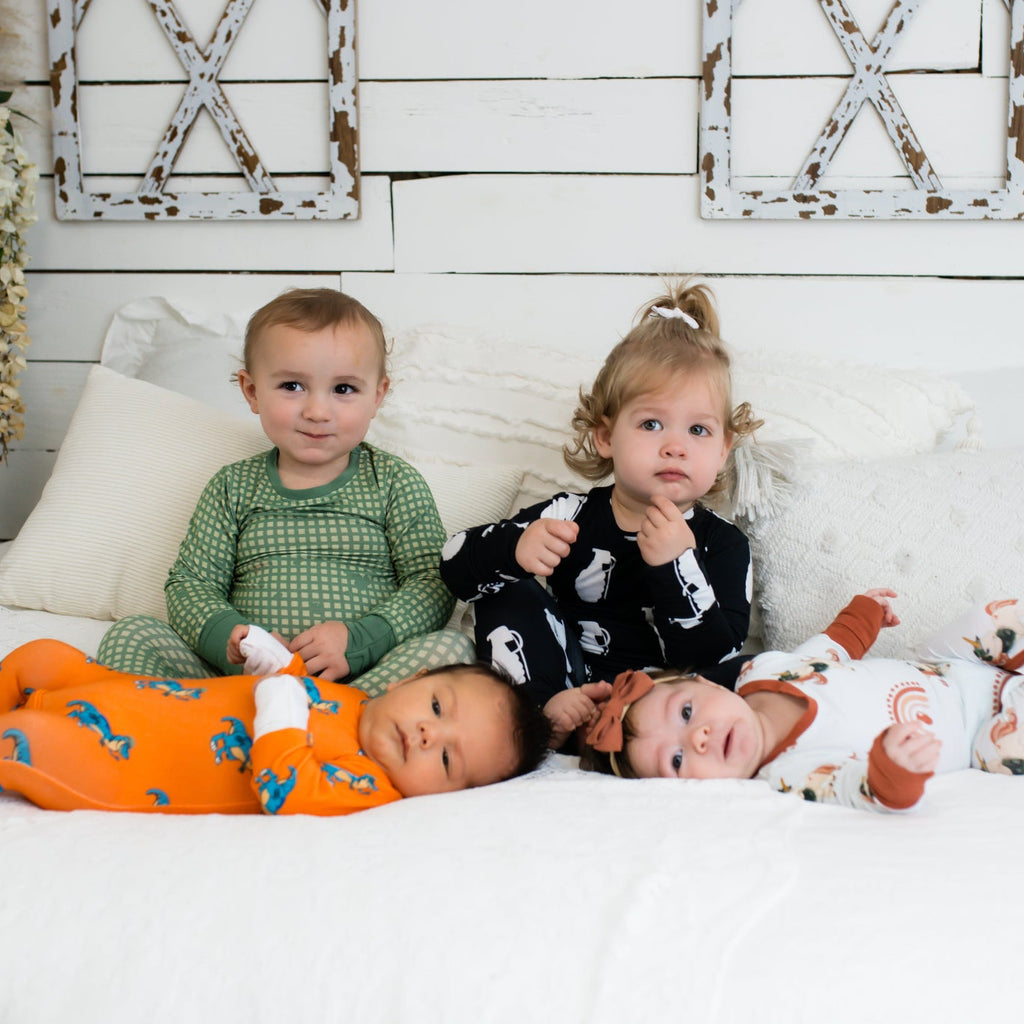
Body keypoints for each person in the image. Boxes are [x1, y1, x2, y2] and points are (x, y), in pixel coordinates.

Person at [98, 288, 470, 697]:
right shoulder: (233, 486)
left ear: (377, 396)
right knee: (132, 634)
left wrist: (360, 640)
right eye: (292, 385)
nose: (317, 411)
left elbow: (431, 583)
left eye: (344, 389)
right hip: (242, 683)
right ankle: (219, 719)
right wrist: (232, 639)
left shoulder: (394, 482)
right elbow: (192, 584)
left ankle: (345, 717)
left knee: (452, 651)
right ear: (252, 391)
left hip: (360, 682)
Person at [439, 280, 760, 748]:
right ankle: (541, 721)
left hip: (664, 710)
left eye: (698, 430)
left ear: (723, 449)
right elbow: (454, 567)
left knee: (749, 672)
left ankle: (626, 740)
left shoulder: (724, 543)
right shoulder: (570, 514)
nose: (675, 446)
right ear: (606, 437)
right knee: (505, 585)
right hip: (566, 684)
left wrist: (677, 567)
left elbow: (713, 657)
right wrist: (515, 550)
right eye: (652, 423)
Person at [0, 626, 551, 815]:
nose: (429, 735)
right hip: (131, 696)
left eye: (448, 759)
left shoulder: (369, 785)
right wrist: (274, 661)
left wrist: (282, 704)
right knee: (43, 657)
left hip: (123, 765)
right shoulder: (354, 700)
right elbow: (298, 688)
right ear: (409, 680)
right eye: (435, 707)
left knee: (26, 738)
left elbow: (284, 787)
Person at [580, 591, 1024, 813]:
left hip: (953, 668)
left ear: (706, 684)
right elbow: (856, 787)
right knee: (1008, 752)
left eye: (686, 712)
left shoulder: (762, 670)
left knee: (995, 616)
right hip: (980, 735)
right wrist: (892, 770)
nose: (698, 738)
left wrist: (865, 611)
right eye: (676, 760)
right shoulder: (787, 773)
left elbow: (832, 647)